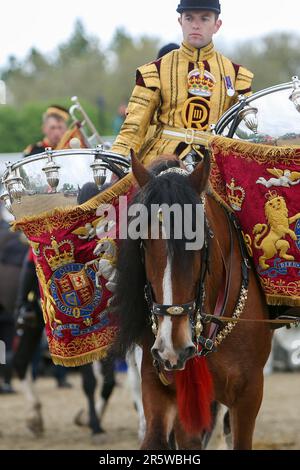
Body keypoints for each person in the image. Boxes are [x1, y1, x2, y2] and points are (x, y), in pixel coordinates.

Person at [111, 0, 253, 165]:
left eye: (204, 19)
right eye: (189, 18)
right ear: (180, 21)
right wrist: (116, 161)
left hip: (217, 163)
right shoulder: (154, 70)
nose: (195, 25)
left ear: (217, 25)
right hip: (161, 161)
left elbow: (249, 131)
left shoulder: (237, 75)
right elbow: (134, 127)